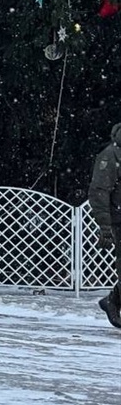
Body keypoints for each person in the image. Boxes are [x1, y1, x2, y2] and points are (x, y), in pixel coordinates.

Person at [89, 122, 121, 330]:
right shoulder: (111, 156)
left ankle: (113, 300)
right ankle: (113, 301)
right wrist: (105, 225)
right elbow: (99, 191)